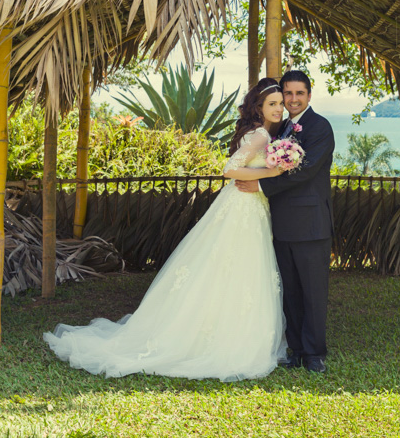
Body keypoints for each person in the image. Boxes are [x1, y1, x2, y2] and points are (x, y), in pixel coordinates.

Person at [43, 78, 288, 382]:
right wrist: (273, 170)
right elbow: (229, 169)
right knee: (236, 268)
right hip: (243, 207)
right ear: (259, 107)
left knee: (235, 270)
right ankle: (224, 339)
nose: (278, 108)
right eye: (272, 104)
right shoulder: (261, 135)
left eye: (280, 103)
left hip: (249, 206)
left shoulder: (263, 134)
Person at [236, 70, 334, 374]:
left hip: (310, 224)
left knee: (313, 292)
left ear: (309, 95)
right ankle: (295, 349)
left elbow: (304, 170)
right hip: (280, 222)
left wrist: (262, 186)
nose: (292, 99)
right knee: (289, 290)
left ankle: (314, 353)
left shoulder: (320, 127)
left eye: (298, 94)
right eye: (287, 94)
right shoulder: (277, 128)